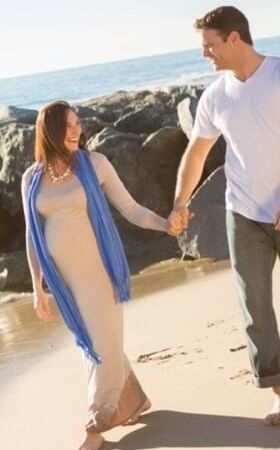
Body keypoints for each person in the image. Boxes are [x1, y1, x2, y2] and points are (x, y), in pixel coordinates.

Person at [21, 100, 178, 450]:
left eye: (79, 124)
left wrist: (164, 224)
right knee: (96, 344)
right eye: (69, 126)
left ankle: (96, 424)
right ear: (50, 131)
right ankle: (133, 400)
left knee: (99, 348)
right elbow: (32, 234)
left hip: (99, 273)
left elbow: (130, 208)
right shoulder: (31, 178)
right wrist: (37, 287)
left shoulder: (95, 164)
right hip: (65, 281)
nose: (77, 131)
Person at [168, 6, 280, 426]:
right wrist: (180, 203)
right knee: (255, 305)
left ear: (235, 38)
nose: (205, 54)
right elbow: (196, 153)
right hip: (244, 211)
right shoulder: (215, 96)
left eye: (209, 45)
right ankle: (278, 391)